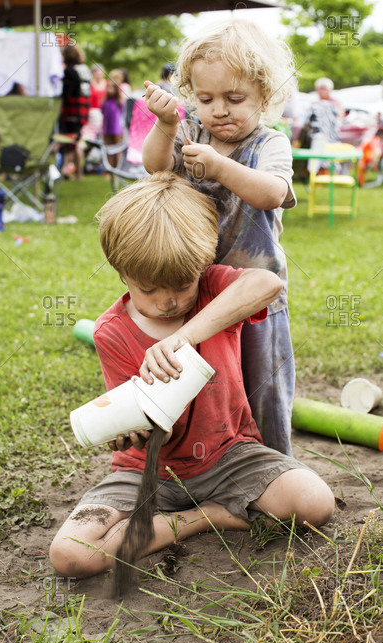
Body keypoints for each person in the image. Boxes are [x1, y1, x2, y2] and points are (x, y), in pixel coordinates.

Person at [49, 172, 335, 579]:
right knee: (71, 556)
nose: (168, 301)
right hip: (147, 471)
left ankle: (201, 512)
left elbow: (267, 283)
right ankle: (205, 517)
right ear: (121, 271)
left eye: (182, 285)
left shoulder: (214, 293)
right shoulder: (110, 332)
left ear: (202, 265)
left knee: (314, 503)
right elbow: (132, 413)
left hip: (230, 455)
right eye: (149, 289)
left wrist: (184, 336)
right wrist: (128, 429)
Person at [142, 19, 297, 456]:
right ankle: (211, 463)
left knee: (262, 385)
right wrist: (168, 125)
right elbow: (155, 166)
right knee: (205, 385)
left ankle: (275, 465)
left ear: (264, 97)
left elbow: (271, 194)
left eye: (235, 98)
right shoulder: (192, 131)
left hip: (256, 296)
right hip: (199, 291)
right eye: (206, 99)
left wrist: (220, 167)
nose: (220, 110)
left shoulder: (270, 144)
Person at [59, 44, 92, 179]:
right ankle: (78, 173)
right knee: (76, 141)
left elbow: (67, 94)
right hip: (83, 111)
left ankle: (66, 171)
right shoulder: (85, 69)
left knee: (68, 142)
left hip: (71, 111)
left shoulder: (70, 71)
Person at [102, 77, 124, 168]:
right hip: (107, 129)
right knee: (108, 150)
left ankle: (117, 168)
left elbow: (122, 115)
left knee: (117, 150)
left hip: (117, 129)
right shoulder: (105, 102)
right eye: (108, 87)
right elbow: (103, 113)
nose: (109, 89)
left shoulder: (119, 102)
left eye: (112, 87)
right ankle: (109, 169)